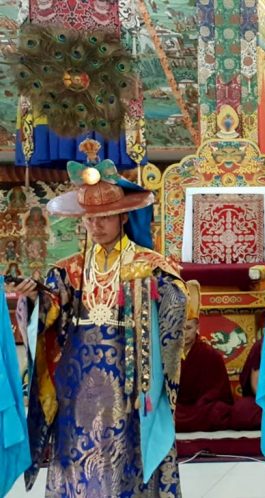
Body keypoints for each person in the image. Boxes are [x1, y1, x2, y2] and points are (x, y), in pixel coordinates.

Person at [10, 143, 186, 496]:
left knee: (125, 461)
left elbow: (176, 305)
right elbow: (51, 315)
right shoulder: (71, 268)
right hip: (77, 386)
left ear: (123, 216)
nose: (96, 224)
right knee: (77, 459)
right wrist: (34, 301)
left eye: (104, 216)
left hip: (129, 380)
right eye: (90, 218)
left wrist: (149, 292)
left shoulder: (149, 264)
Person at [175, 280, 236, 432]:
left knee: (218, 411)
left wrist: (202, 403)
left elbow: (219, 392)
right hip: (178, 407)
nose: (185, 333)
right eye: (180, 328)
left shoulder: (210, 355)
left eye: (188, 328)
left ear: (197, 327)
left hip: (201, 408)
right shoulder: (168, 353)